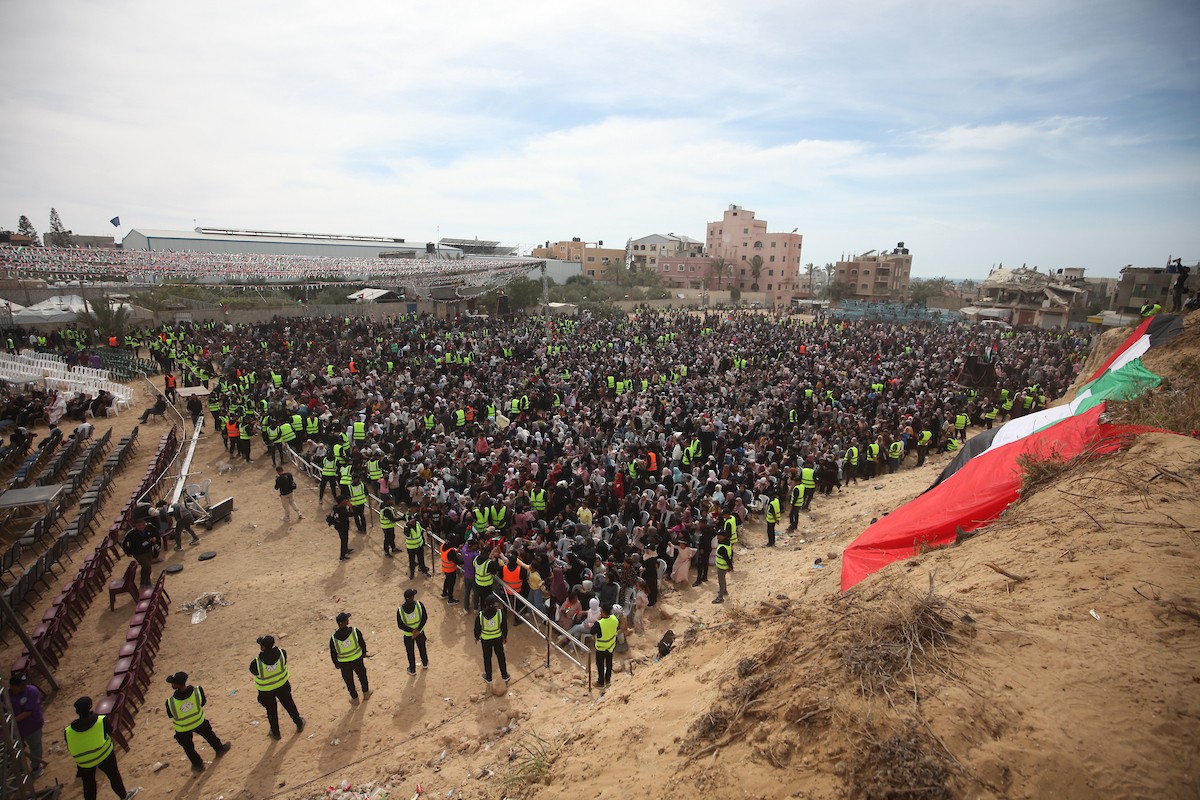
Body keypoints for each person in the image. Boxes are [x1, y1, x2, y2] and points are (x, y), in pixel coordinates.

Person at [64, 696, 139, 800]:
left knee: (89, 785)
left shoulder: (68, 731)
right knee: (114, 776)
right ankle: (124, 796)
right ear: (90, 707)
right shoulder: (101, 720)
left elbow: (70, 745)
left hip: (84, 763)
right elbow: (109, 731)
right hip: (104, 755)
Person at [163, 671, 231, 772]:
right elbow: (202, 703)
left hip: (182, 728)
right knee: (209, 735)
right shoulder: (197, 691)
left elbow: (170, 715)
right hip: (199, 722)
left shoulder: (170, 702)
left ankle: (198, 764)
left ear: (176, 685)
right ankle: (219, 749)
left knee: (188, 747)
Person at [250, 635, 304, 739]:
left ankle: (276, 733)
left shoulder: (256, 663)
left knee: (271, 711)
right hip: (282, 686)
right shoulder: (282, 653)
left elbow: (254, 672)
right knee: (289, 705)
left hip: (266, 691)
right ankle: (299, 723)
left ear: (263, 647)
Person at [9, 673, 44, 777]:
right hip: (15, 730)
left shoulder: (31, 691)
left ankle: (36, 767)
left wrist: (9, 722)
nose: (24, 687)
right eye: (21, 685)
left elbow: (29, 711)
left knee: (35, 747)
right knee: (15, 751)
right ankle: (21, 772)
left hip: (32, 726)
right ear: (13, 686)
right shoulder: (5, 696)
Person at [329, 613, 370, 702]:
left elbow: (333, 652)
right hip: (357, 660)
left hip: (344, 664)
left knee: (349, 681)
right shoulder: (354, 631)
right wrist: (363, 653)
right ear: (346, 622)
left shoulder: (333, 638)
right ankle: (366, 693)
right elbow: (362, 643)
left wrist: (336, 663)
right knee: (362, 676)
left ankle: (355, 699)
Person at [474, 594, 509, 683]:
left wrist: (476, 637)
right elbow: (504, 626)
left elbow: (477, 628)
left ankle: (488, 677)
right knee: (501, 656)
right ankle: (504, 675)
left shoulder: (480, 615)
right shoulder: (500, 613)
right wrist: (505, 637)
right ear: (494, 604)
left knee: (487, 657)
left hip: (485, 640)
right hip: (498, 638)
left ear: (485, 604)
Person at [396, 588, 430, 674]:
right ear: (412, 597)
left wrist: (412, 631)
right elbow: (424, 618)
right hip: (420, 632)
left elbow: (400, 625)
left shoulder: (400, 610)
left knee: (410, 652)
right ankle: (425, 663)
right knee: (422, 648)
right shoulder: (419, 605)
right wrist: (418, 630)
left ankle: (412, 669)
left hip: (408, 635)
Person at [120, 518, 158, 588]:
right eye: (139, 525)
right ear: (136, 526)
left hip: (148, 551)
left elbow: (155, 533)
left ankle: (146, 581)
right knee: (147, 566)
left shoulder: (149, 528)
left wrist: (154, 538)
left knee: (146, 567)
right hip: (138, 553)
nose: (142, 527)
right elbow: (123, 543)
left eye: (143, 524)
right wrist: (128, 552)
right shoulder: (131, 533)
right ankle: (144, 583)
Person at [590, 603, 620, 690]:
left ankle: (600, 682)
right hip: (611, 646)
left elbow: (592, 632)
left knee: (600, 665)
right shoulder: (614, 619)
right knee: (609, 663)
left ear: (602, 612)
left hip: (601, 648)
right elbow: (616, 628)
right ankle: (608, 679)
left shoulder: (600, 623)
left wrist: (597, 620)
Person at [404, 515, 432, 579]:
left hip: (419, 546)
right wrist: (409, 526)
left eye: (414, 520)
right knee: (412, 561)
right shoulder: (406, 528)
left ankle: (424, 571)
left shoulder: (417, 524)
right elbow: (407, 534)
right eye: (412, 521)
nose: (414, 522)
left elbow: (421, 529)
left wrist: (426, 528)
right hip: (411, 548)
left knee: (421, 560)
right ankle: (412, 573)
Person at [439, 535, 462, 604]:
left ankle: (444, 593)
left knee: (446, 581)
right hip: (451, 570)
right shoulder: (451, 551)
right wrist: (466, 561)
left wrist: (458, 549)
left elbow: (451, 556)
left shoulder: (443, 545)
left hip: (445, 568)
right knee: (451, 584)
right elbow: (457, 561)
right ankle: (450, 599)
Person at [713, 529, 733, 604]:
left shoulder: (722, 548)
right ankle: (724, 591)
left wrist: (730, 566)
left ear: (723, 536)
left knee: (721, 582)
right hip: (724, 566)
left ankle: (720, 597)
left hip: (722, 567)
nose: (717, 536)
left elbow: (726, 559)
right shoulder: (728, 542)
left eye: (719, 535)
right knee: (723, 579)